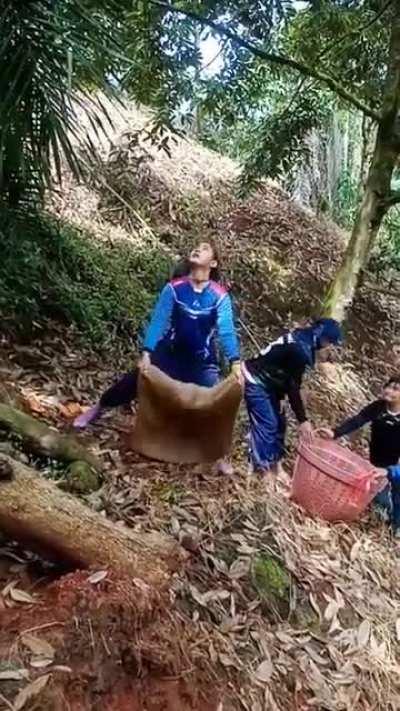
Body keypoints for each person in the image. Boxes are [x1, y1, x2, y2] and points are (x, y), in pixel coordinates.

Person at [74, 240, 242, 472]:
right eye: (195, 246)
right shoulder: (175, 288)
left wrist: (235, 362)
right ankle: (98, 408)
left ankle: (215, 455)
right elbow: (158, 321)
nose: (196, 249)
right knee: (133, 381)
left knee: (211, 405)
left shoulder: (220, 296)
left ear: (212, 263)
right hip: (169, 353)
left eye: (203, 248)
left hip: (201, 362)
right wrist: (147, 352)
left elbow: (226, 330)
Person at [241, 319, 343, 477]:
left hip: (271, 383)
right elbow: (293, 387)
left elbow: (285, 372)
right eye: (328, 342)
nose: (327, 346)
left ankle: (276, 466)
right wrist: (303, 420)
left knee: (280, 422)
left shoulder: (302, 338)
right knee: (268, 424)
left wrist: (280, 396)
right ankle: (262, 470)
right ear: (321, 336)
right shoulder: (300, 349)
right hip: (256, 379)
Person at [321, 375, 400, 537]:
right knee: (380, 501)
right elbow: (359, 419)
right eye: (388, 386)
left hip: (396, 467)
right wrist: (335, 432)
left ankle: (396, 530)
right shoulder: (379, 407)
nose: (388, 391)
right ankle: (387, 525)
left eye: (395, 389)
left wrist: (391, 471)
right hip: (376, 463)